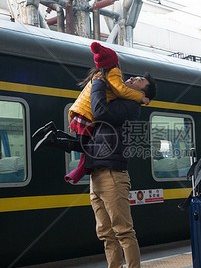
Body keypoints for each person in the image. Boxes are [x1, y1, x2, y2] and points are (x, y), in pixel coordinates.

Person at [85, 72, 157, 268]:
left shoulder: (130, 106)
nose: (133, 78)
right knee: (105, 233)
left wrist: (96, 82)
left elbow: (100, 113)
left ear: (142, 94)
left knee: (123, 232)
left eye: (139, 81)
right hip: (96, 172)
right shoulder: (117, 100)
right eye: (135, 77)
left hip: (113, 175)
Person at [32, 42, 149, 184]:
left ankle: (53, 131)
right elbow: (120, 91)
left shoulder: (104, 75)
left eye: (139, 80)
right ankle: (53, 139)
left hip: (80, 113)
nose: (132, 78)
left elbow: (119, 92)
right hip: (86, 116)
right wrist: (139, 97)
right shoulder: (110, 76)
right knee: (82, 145)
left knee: (81, 143)